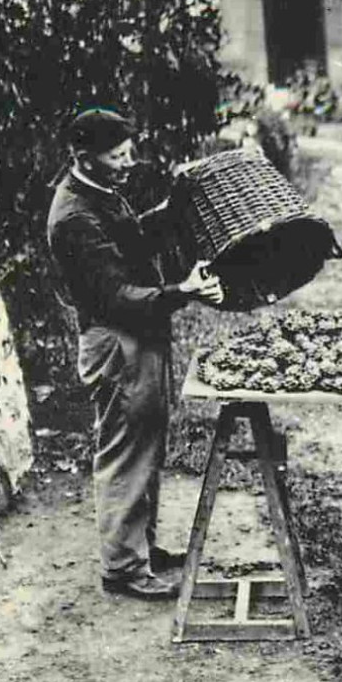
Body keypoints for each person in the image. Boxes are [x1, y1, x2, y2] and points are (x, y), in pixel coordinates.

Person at [47, 107, 225, 599]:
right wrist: (183, 292)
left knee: (147, 442)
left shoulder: (100, 194)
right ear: (83, 157)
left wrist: (171, 210)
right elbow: (117, 297)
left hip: (139, 336)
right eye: (117, 155)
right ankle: (123, 567)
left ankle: (139, 547)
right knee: (126, 452)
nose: (128, 162)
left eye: (129, 151)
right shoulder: (74, 218)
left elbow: (131, 241)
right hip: (117, 341)